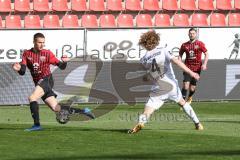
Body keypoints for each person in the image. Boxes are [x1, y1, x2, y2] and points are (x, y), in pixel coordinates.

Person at [12, 33, 94, 131]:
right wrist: (18, 69)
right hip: (39, 83)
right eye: (39, 42)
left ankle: (37, 125)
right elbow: (23, 72)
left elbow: (62, 67)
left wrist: (65, 62)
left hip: (47, 80)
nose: (42, 45)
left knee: (32, 97)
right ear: (34, 42)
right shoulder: (26, 53)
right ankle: (83, 111)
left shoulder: (47, 53)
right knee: (56, 108)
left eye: (43, 42)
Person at [128, 30, 203, 134]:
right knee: (182, 103)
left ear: (144, 43)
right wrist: (191, 73)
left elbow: (147, 77)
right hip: (171, 85)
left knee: (148, 110)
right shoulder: (163, 50)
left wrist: (147, 77)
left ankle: (141, 123)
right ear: (156, 40)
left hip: (158, 88)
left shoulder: (144, 59)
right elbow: (176, 62)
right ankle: (197, 124)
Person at [178, 28, 209, 104]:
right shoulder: (184, 45)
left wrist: (204, 64)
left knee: (192, 88)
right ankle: (182, 102)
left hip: (197, 68)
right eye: (190, 33)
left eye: (193, 33)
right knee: (186, 85)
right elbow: (180, 54)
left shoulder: (200, 44)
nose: (191, 35)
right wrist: (179, 62)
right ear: (188, 34)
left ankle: (190, 97)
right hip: (187, 68)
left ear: (196, 34)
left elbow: (206, 54)